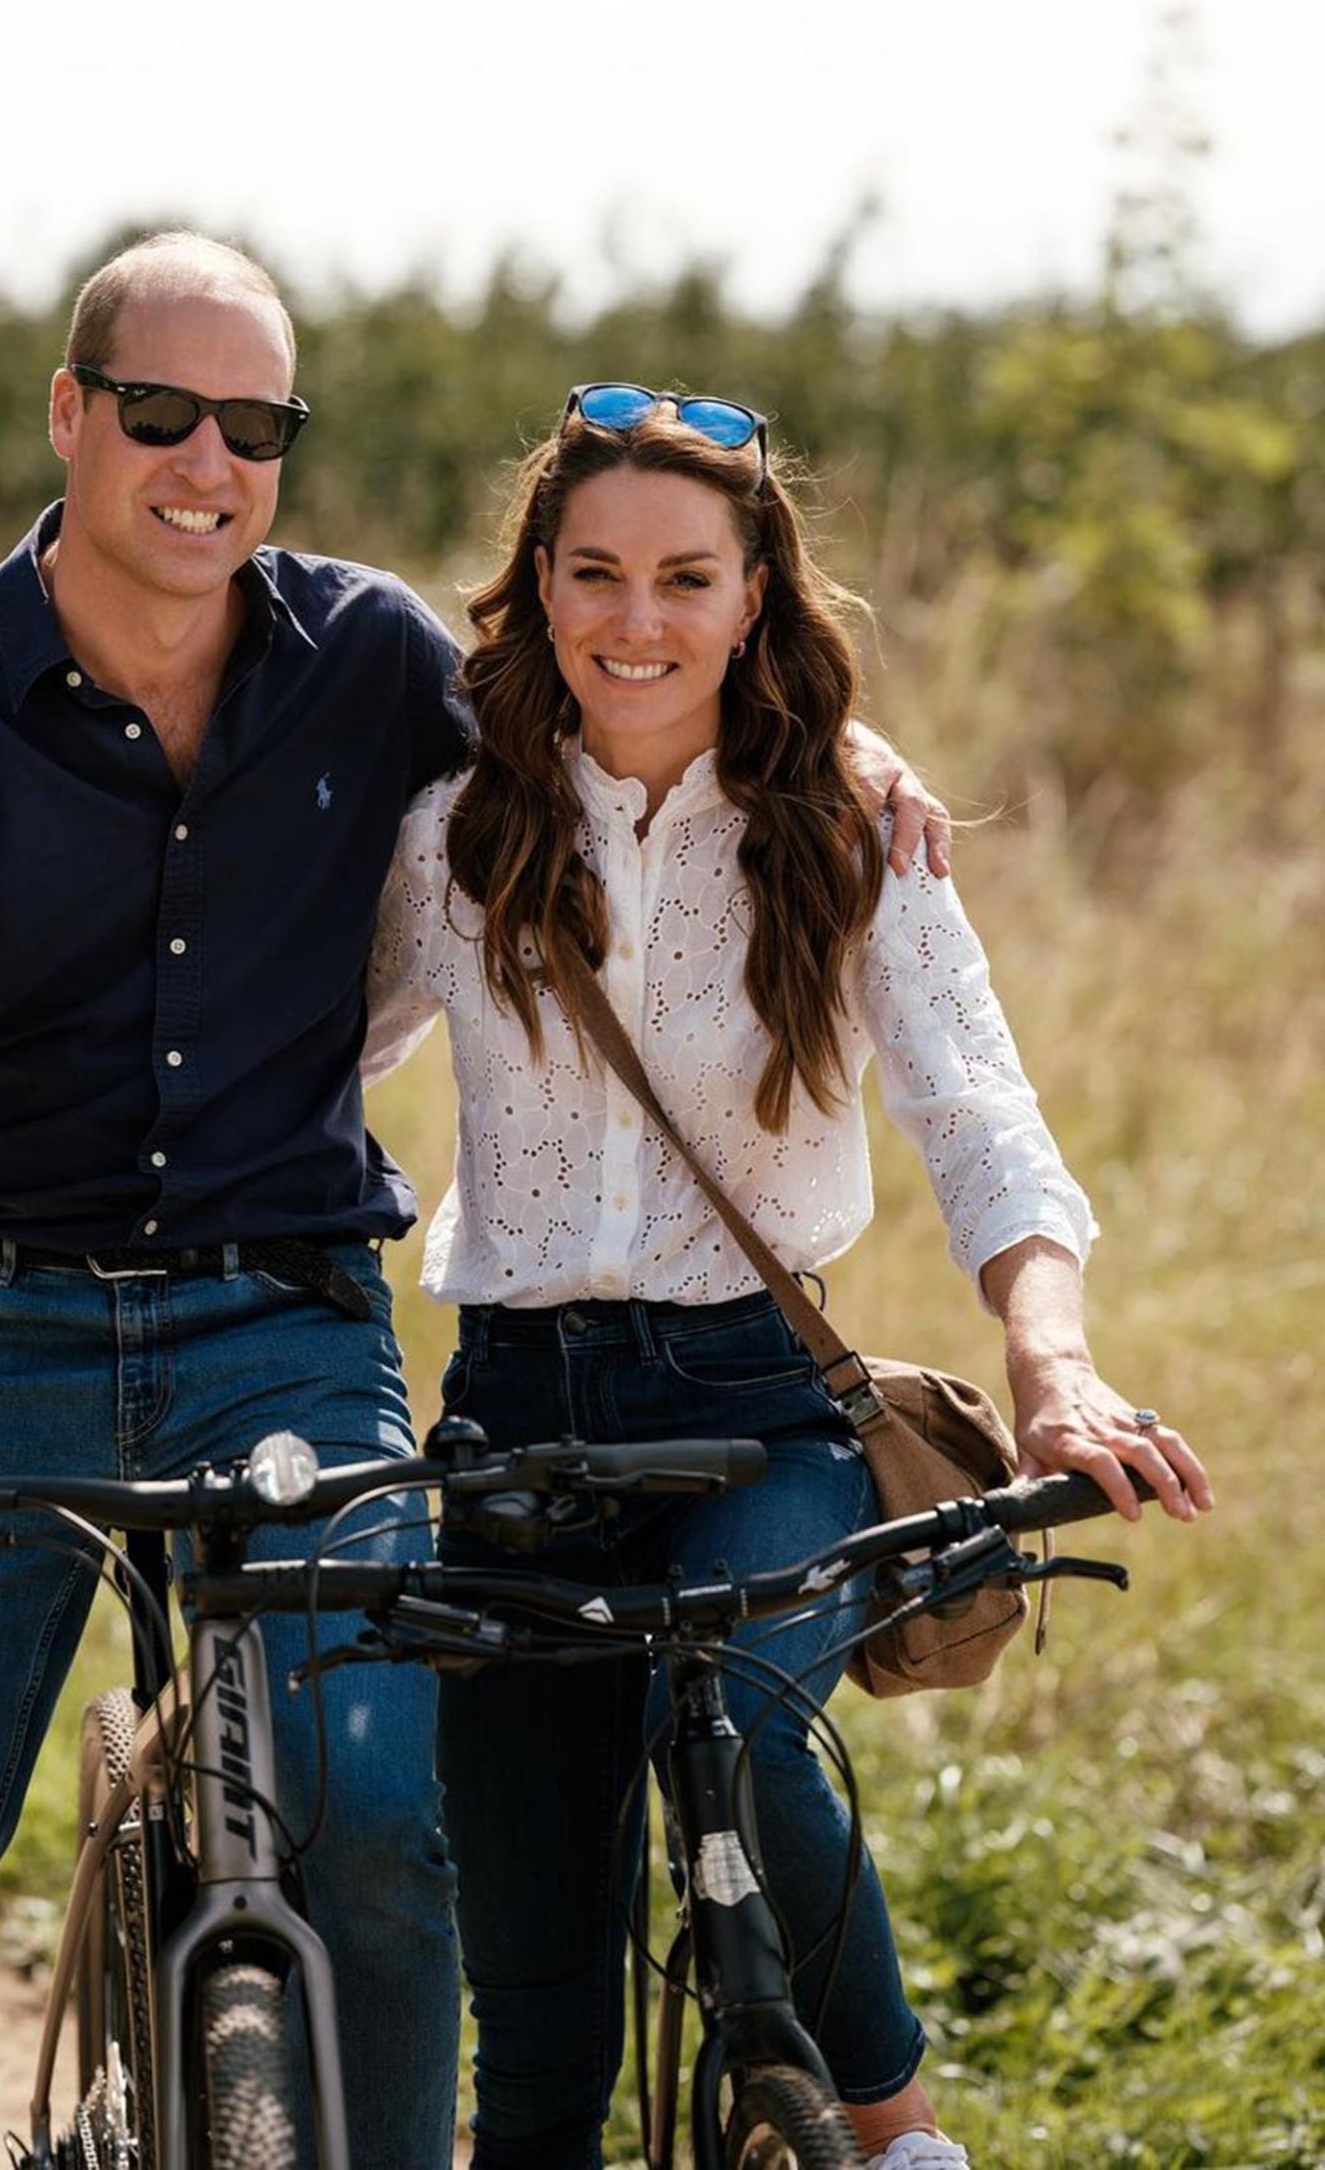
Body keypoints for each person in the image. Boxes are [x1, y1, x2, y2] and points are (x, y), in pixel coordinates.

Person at [0, 226, 946, 2170]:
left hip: (284, 1330)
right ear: (70, 411)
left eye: (255, 424)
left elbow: (633, 702)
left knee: (384, 1821)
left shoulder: (363, 665)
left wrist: (825, 735)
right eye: (160, 412)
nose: (208, 461)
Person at [348, 386, 1216, 2170]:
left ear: (756, 596)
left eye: (685, 576)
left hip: (761, 1407)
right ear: (540, 582)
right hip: (511, 1421)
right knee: (533, 2031)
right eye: (594, 573)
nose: (636, 620)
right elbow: (301, 1057)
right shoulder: (456, 832)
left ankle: (896, 2139)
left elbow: (979, 1115)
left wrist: (1050, 1362)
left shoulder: (844, 826)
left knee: (744, 1722)